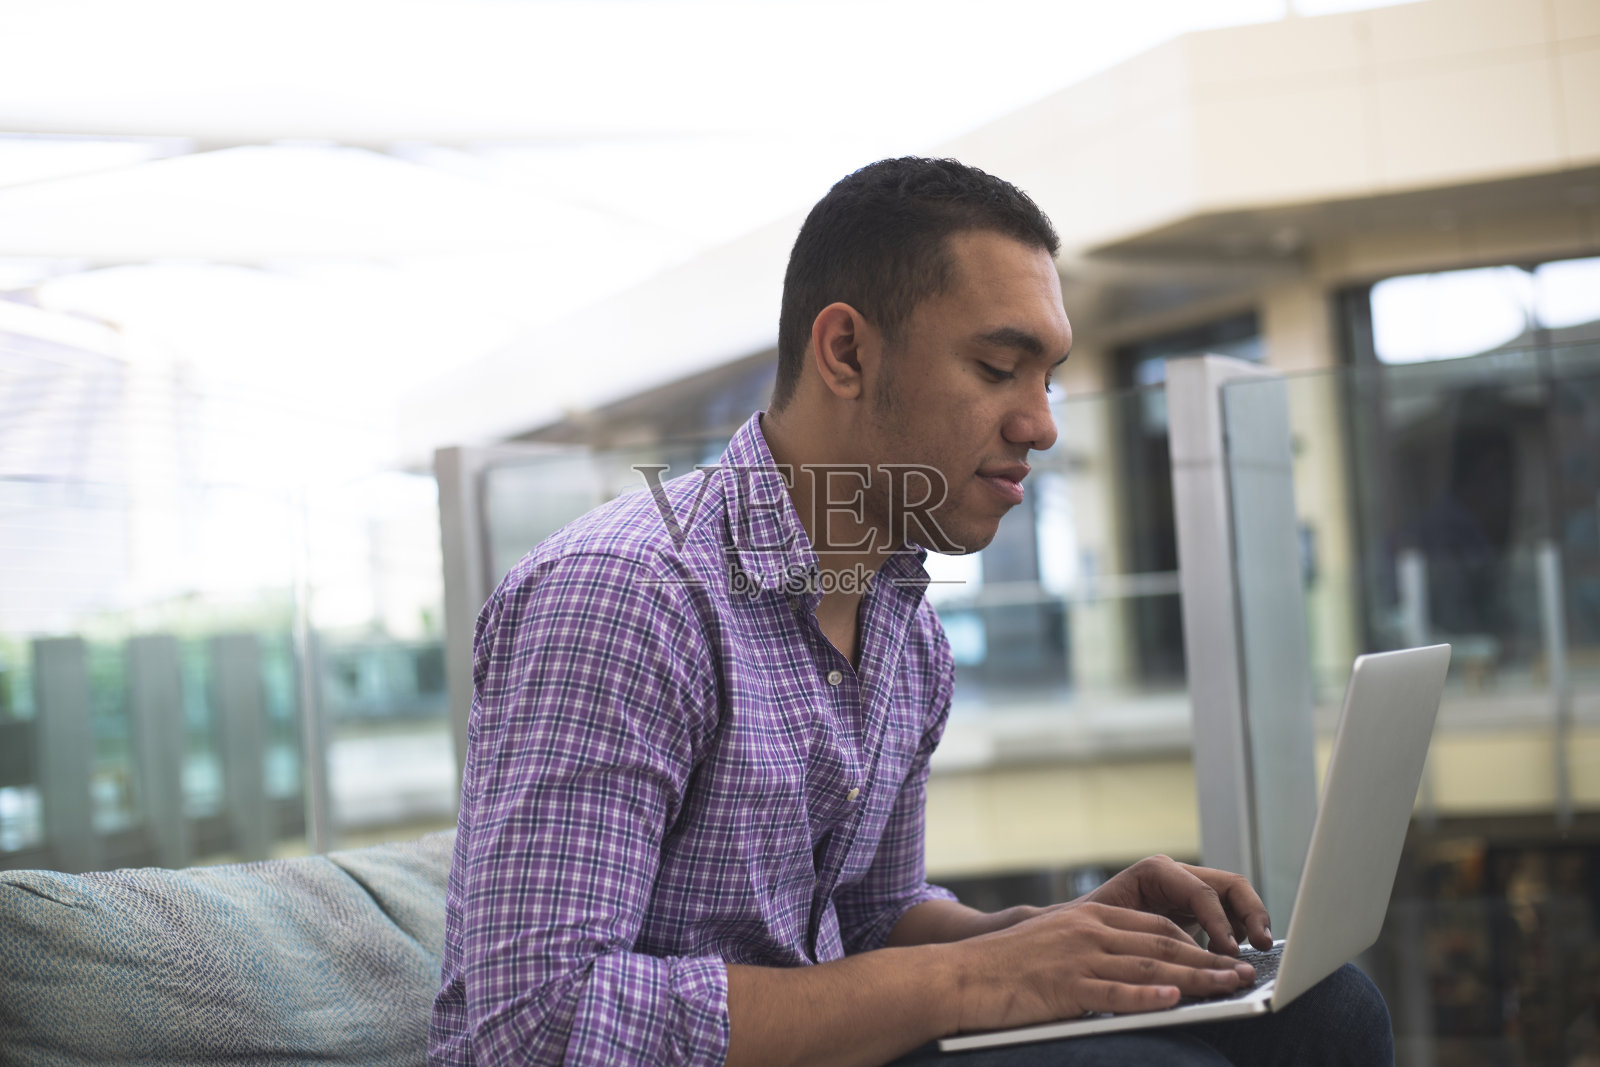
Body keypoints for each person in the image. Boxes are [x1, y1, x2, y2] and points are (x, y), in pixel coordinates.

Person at [430, 157, 1393, 1067]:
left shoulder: (902, 622)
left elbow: (873, 915)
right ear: (846, 351)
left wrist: (1059, 935)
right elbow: (532, 1021)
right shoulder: (628, 597)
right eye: (996, 367)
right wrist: (972, 976)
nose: (1042, 425)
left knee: (1328, 1009)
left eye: (1048, 376)